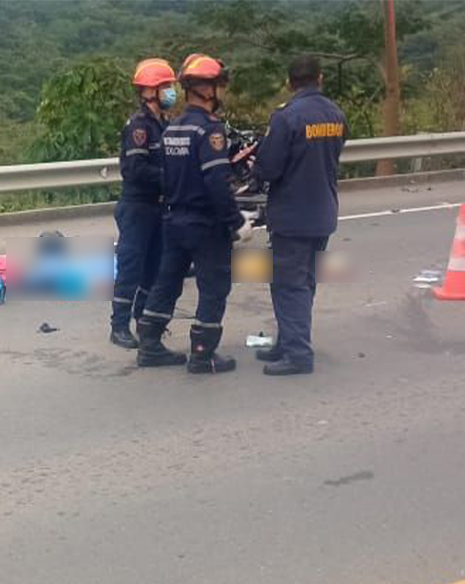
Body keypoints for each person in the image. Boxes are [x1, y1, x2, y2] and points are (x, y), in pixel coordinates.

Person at [136, 53, 253, 374]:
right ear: (206, 89)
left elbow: (166, 175)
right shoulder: (209, 131)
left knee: (167, 282)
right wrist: (236, 221)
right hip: (204, 223)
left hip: (173, 220)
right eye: (218, 86)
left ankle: (149, 345)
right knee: (214, 286)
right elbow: (217, 181)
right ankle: (203, 354)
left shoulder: (173, 129)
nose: (222, 92)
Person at [247, 55, 347, 376]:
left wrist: (255, 169)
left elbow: (270, 167)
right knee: (304, 281)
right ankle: (288, 341)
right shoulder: (335, 114)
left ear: (290, 83)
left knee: (289, 284)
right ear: (320, 78)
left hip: (292, 215)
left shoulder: (286, 118)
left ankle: (297, 354)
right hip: (323, 212)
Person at [110, 59, 178, 349]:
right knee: (131, 267)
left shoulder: (164, 124)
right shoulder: (139, 126)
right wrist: (171, 177)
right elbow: (135, 169)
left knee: (155, 268)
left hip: (159, 207)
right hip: (137, 207)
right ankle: (119, 326)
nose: (171, 92)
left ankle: (144, 321)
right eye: (166, 87)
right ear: (150, 91)